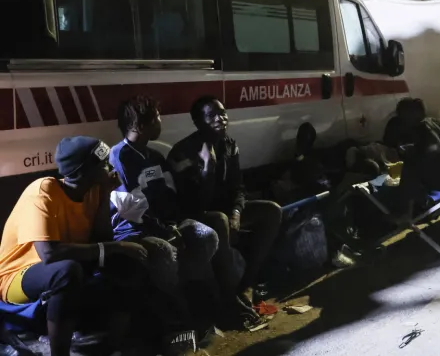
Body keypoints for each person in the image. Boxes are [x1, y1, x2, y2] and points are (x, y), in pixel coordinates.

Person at [0, 137, 148, 356]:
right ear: (83, 172)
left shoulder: (93, 191)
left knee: (126, 261)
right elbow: (49, 254)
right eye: (103, 164)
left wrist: (105, 195)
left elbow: (102, 239)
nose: (110, 167)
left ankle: (111, 343)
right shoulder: (42, 191)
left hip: (68, 264)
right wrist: (115, 247)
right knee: (67, 271)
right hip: (17, 276)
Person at [110, 96, 220, 345]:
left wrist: (176, 224)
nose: (161, 122)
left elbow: (173, 196)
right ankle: (176, 321)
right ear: (139, 124)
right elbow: (131, 210)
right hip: (135, 230)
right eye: (157, 117)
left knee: (206, 236)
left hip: (167, 224)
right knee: (163, 250)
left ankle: (195, 304)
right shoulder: (119, 157)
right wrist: (167, 232)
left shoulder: (155, 156)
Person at [167, 96, 282, 330]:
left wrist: (237, 213)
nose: (221, 119)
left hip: (224, 211)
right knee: (219, 219)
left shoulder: (228, 144)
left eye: (222, 113)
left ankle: (247, 284)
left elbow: (238, 187)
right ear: (198, 122)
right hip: (197, 216)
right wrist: (207, 171)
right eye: (212, 116)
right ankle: (230, 299)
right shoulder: (182, 153)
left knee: (272, 211)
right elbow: (192, 204)